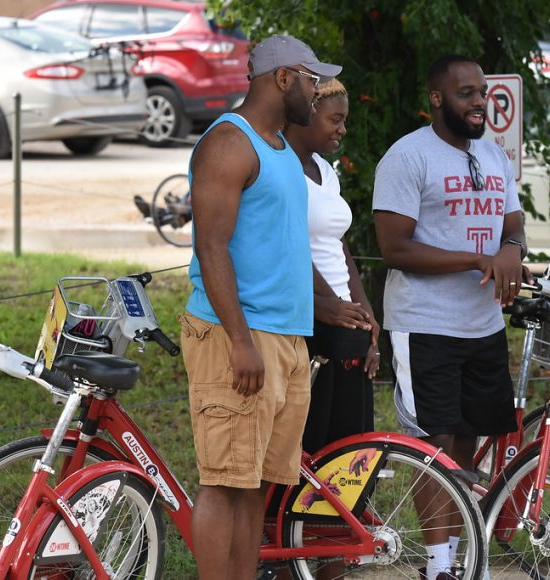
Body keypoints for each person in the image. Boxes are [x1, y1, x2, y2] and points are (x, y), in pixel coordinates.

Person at [177, 35, 340, 580]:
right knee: (224, 483)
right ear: (284, 78)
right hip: (238, 338)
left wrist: (330, 308)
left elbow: (288, 246)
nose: (317, 93)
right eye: (313, 80)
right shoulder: (230, 143)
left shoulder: (280, 149)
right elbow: (210, 248)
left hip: (287, 340)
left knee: (257, 488)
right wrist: (241, 341)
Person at [372, 54, 532, 580]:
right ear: (437, 98)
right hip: (424, 325)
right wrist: (475, 258)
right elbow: (394, 247)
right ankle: (437, 566)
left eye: (482, 92)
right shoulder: (408, 156)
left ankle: (464, 559)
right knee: (433, 445)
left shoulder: (493, 156)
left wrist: (510, 249)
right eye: (466, 93)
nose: (479, 102)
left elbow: (513, 224)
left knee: (467, 441)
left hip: (482, 325)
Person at [284, 79, 380, 456]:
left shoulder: (325, 168)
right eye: (335, 119)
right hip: (314, 316)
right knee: (316, 444)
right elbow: (290, 247)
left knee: (352, 443)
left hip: (341, 316)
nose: (343, 129)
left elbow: (338, 244)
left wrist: (365, 314)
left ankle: (343, 516)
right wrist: (328, 306)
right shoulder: (282, 168)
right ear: (307, 113)